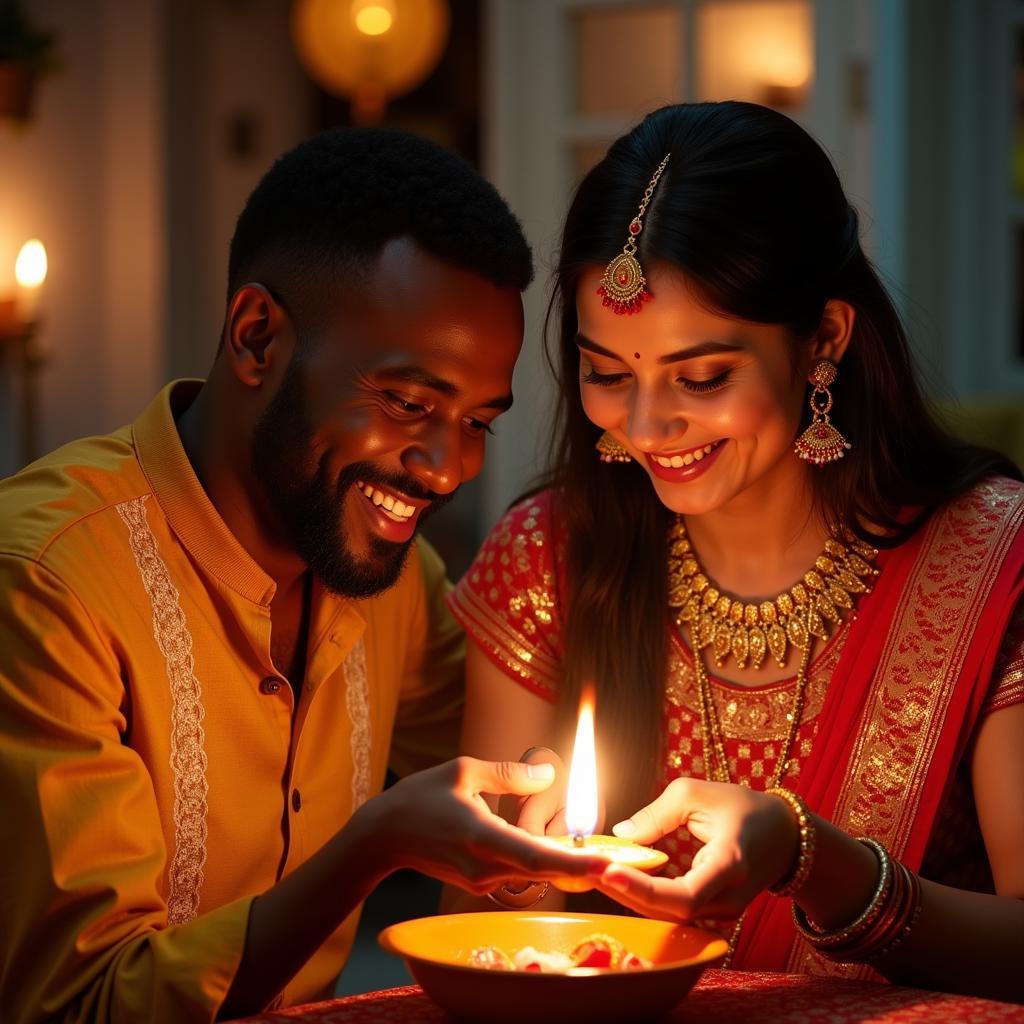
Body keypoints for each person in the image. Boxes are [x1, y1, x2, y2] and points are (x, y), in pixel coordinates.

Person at [0, 128, 610, 1023]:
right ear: (256, 337)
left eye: (478, 421)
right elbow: (82, 1003)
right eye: (409, 403)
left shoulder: (395, 579)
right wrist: (372, 846)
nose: (447, 469)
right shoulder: (48, 580)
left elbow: (512, 784)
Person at [448, 102, 1024, 1001]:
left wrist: (813, 861)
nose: (645, 427)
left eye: (703, 377)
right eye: (607, 373)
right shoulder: (550, 558)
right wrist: (527, 872)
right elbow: (478, 935)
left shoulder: (995, 559)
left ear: (823, 340)